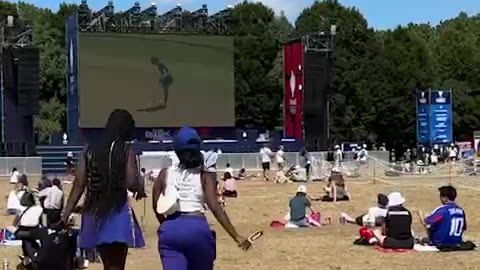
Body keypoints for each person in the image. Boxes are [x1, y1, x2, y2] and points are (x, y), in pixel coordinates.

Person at [152, 127, 251, 270]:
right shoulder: (205, 176)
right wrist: (236, 236)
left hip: (170, 231)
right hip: (197, 229)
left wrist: (165, 225)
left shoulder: (165, 173)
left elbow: (156, 205)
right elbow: (215, 207)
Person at [60, 109, 145, 270]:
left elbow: (79, 184)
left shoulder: (89, 149)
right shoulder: (126, 150)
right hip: (116, 212)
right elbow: (130, 181)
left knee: (107, 263)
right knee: (116, 266)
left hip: (94, 212)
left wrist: (65, 214)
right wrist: (139, 188)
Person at [13, 192, 44, 266]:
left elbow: (14, 223)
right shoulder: (39, 209)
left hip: (22, 231)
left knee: (26, 239)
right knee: (29, 239)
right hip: (34, 231)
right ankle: (33, 254)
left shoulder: (20, 209)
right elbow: (41, 223)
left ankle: (27, 257)